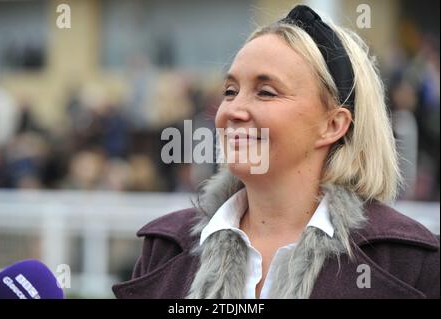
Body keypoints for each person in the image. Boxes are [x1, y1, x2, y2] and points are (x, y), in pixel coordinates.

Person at [113, 5, 439, 299]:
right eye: (230, 91)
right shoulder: (165, 248)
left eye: (266, 92)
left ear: (333, 125)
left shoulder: (410, 264)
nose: (232, 111)